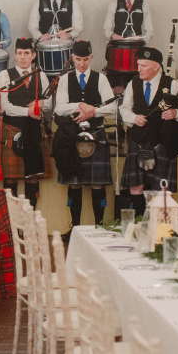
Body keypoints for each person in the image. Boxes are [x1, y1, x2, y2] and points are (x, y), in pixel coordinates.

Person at [53, 40, 118, 234]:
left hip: (96, 133)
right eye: (78, 59)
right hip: (72, 135)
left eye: (85, 59)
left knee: (97, 184)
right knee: (74, 183)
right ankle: (76, 228)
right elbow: (59, 107)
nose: (81, 64)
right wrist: (81, 106)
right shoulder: (65, 79)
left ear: (91, 58)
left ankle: (99, 227)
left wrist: (93, 111)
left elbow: (112, 108)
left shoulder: (101, 78)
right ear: (72, 58)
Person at [120, 47, 178, 217]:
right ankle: (137, 227)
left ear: (156, 67)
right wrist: (133, 118)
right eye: (138, 64)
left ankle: (159, 230)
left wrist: (175, 113)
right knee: (136, 186)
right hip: (138, 140)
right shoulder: (134, 83)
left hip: (162, 142)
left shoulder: (171, 84)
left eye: (143, 65)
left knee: (162, 189)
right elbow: (124, 108)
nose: (139, 69)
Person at [0, 38, 51, 208]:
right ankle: (11, 224)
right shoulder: (4, 75)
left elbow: (49, 104)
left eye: (27, 53)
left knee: (32, 176)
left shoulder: (41, 75)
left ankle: (30, 223)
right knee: (10, 178)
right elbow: (3, 106)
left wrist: (41, 104)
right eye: (19, 53)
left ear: (33, 55)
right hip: (11, 128)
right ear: (15, 55)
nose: (23, 57)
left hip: (34, 132)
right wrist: (27, 111)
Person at [103, 0, 154, 95]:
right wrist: (114, 36)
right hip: (117, 52)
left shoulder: (144, 4)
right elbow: (106, 28)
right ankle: (118, 113)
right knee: (118, 89)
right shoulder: (115, 3)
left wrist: (141, 41)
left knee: (135, 88)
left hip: (136, 53)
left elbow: (149, 30)